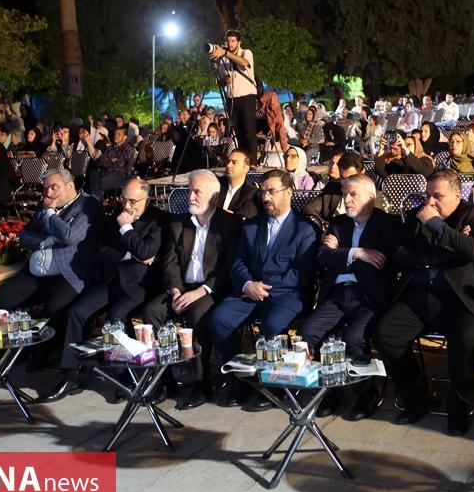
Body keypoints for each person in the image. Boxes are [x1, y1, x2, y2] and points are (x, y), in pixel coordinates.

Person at [370, 170, 474, 436]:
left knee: (464, 343)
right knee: (385, 333)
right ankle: (417, 394)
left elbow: (473, 249)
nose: (430, 202)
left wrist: (437, 225)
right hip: (420, 294)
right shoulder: (417, 215)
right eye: (427, 194)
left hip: (460, 298)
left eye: (438, 196)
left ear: (457, 195)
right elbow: (398, 252)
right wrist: (441, 252)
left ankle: (458, 408)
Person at [38, 178, 165, 403]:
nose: (127, 205)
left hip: (140, 286)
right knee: (77, 312)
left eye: (133, 201)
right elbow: (102, 249)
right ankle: (70, 376)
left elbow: (146, 250)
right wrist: (129, 255)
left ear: (147, 199)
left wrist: (126, 227)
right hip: (113, 281)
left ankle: (128, 377)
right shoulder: (115, 217)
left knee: (117, 316)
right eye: (123, 199)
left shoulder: (157, 219)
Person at [208, 169, 318, 409]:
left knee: (272, 325)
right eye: (262, 192)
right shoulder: (251, 226)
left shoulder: (304, 229)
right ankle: (240, 380)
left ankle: (274, 387)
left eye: (272, 191)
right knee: (219, 319)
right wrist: (248, 284)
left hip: (288, 294)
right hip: (250, 292)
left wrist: (265, 287)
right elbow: (238, 262)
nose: (265, 197)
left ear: (288, 192)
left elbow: (303, 273)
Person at [299, 174, 398, 419]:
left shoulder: (388, 224)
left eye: (353, 194)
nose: (347, 200)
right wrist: (358, 253)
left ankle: (366, 393)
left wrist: (340, 254)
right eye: (345, 195)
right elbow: (322, 256)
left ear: (371, 197)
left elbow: (381, 262)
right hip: (338, 294)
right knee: (309, 331)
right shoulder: (339, 223)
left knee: (354, 338)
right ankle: (330, 391)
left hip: (369, 296)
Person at [141, 170, 242, 409]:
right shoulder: (179, 222)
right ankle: (164, 379)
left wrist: (201, 291)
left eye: (197, 192)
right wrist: (175, 290)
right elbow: (170, 261)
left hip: (211, 289)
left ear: (214, 197)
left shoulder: (230, 224)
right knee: (151, 312)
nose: (191, 197)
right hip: (182, 287)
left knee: (197, 314)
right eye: (189, 191)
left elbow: (229, 268)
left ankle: (201, 383)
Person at [0, 168, 102, 346]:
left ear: (69, 186)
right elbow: (24, 235)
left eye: (54, 187)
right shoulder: (44, 204)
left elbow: (69, 236)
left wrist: (50, 213)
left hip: (68, 272)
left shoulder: (87, 205)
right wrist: (48, 240)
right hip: (37, 273)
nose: (48, 193)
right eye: (46, 188)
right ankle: (10, 347)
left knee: (54, 306)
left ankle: (47, 352)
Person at [210, 30, 258, 163]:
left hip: (247, 96)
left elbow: (244, 63)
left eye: (233, 41)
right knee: (238, 132)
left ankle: (253, 163)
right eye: (228, 41)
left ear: (239, 42)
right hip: (231, 98)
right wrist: (224, 80)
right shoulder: (223, 59)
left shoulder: (246, 52)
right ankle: (243, 162)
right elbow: (219, 82)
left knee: (249, 131)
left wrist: (226, 53)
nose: (230, 44)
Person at [302, 152, 362, 225]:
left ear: (362, 173)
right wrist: (324, 226)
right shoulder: (332, 188)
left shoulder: (371, 195)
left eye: (351, 178)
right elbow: (309, 209)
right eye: (342, 178)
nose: (345, 183)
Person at [87, 126, 136, 201]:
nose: (116, 135)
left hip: (121, 175)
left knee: (98, 182)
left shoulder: (128, 149)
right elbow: (101, 161)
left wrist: (108, 160)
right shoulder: (110, 148)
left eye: (119, 134)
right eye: (115, 133)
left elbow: (120, 164)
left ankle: (95, 201)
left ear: (125, 137)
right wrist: (110, 161)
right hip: (106, 172)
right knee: (93, 173)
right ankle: (97, 200)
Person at [218, 148, 262, 219]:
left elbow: (241, 217)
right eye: (228, 161)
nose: (228, 165)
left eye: (234, 162)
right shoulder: (216, 185)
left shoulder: (252, 193)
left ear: (246, 168)